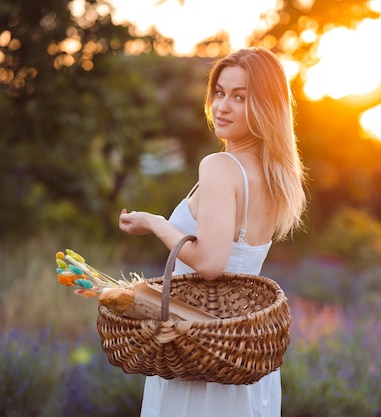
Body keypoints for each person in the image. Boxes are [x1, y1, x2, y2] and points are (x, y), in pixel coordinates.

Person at [118, 46, 307, 417]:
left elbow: (209, 264)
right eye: (220, 92)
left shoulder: (221, 166)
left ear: (267, 107)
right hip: (242, 356)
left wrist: (157, 223)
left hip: (199, 353)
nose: (222, 106)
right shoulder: (273, 176)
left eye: (240, 97)